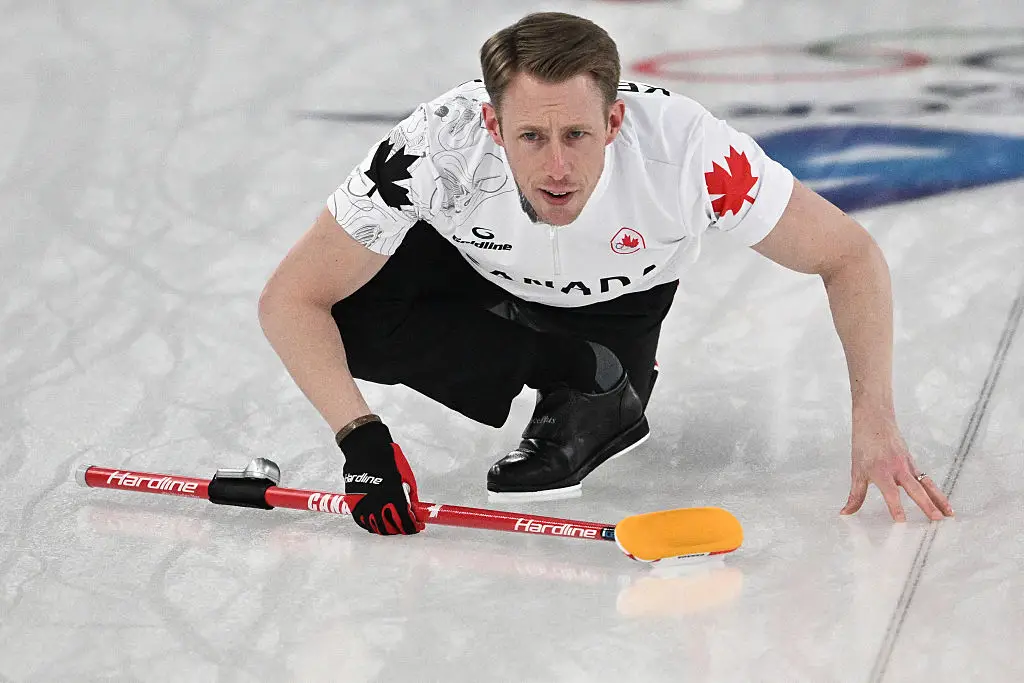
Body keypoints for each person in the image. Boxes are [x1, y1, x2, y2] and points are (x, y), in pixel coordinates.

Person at [257, 12, 954, 536]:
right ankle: (555, 359)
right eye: (531, 136)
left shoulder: (693, 155)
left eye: (577, 135)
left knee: (589, 422)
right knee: (350, 317)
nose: (556, 167)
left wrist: (876, 421)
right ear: (494, 127)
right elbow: (292, 299)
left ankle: (596, 374)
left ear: (615, 120)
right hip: (478, 276)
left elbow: (848, 255)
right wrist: (362, 437)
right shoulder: (436, 146)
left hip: (618, 301)